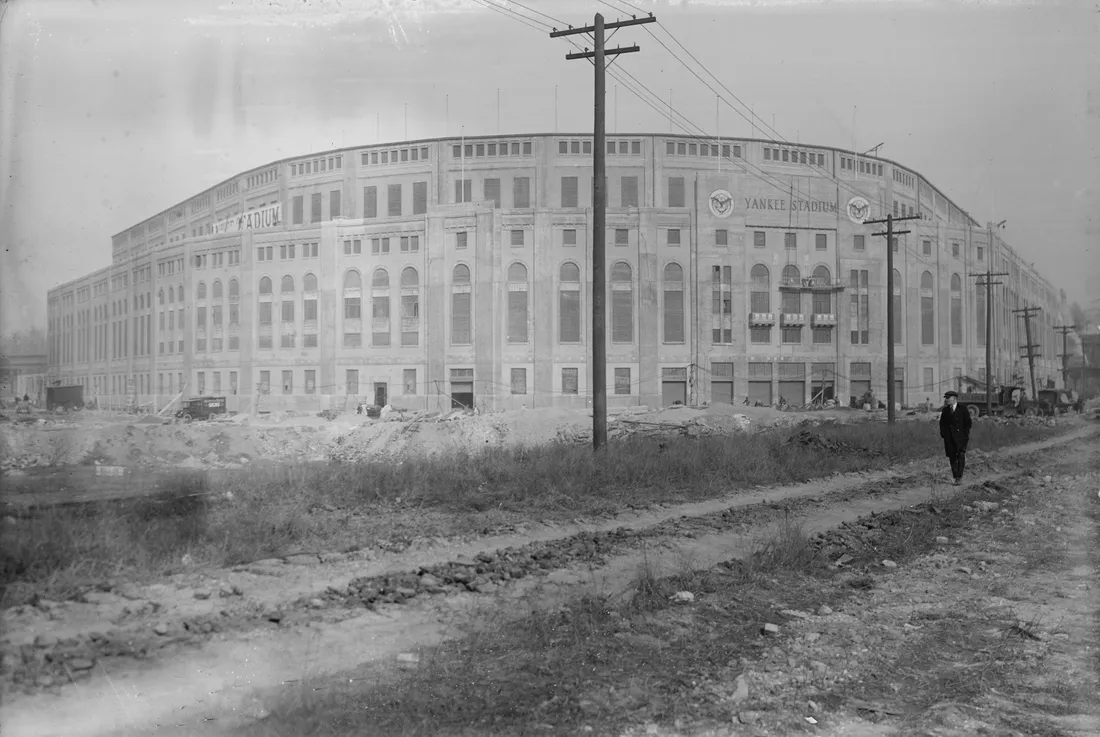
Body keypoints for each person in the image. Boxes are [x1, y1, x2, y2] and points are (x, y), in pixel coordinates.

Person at [939, 390, 972, 485]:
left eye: (948, 398)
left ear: (954, 398)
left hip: (961, 437)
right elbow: (942, 424)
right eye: (946, 398)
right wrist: (943, 434)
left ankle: (959, 477)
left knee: (961, 456)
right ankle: (955, 475)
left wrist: (965, 434)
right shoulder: (945, 410)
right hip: (949, 438)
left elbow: (968, 422)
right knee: (952, 457)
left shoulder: (963, 409)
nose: (946, 400)